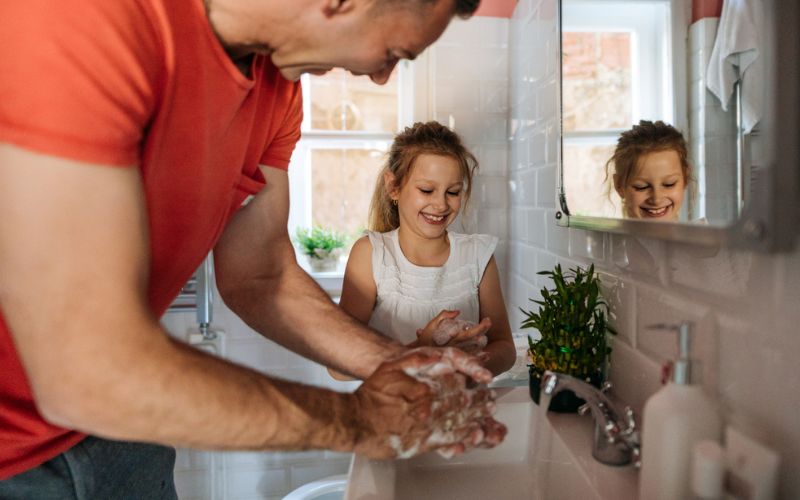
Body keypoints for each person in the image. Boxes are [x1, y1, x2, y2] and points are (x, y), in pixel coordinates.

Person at [0, 0, 505, 497]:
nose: (379, 77)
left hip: (124, 429)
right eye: (393, 51)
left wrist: (399, 362)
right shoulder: (86, 17)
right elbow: (84, 368)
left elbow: (261, 274)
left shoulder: (279, 89)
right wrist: (357, 420)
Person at [337, 121, 516, 378]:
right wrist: (421, 352)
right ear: (393, 187)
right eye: (427, 190)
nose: (440, 204)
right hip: (390, 413)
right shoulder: (371, 255)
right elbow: (338, 368)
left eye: (453, 192)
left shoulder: (478, 255)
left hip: (458, 412)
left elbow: (506, 348)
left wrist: (466, 367)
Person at [607, 120, 694, 222]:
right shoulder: (600, 238)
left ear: (685, 177)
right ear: (619, 185)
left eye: (669, 184)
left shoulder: (703, 237)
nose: (657, 199)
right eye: (641, 187)